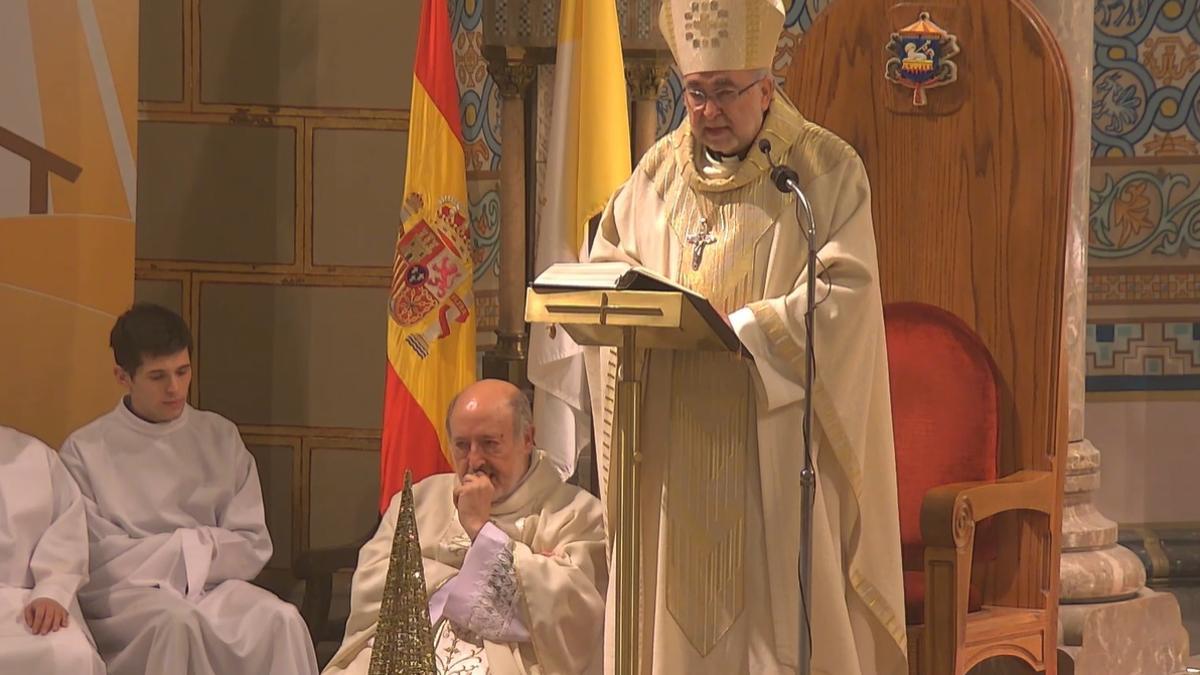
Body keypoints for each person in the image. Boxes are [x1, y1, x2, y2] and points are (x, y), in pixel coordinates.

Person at [583, 1, 908, 672]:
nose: (708, 110)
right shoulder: (656, 175)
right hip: (673, 440)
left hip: (772, 440)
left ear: (766, 86)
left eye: (726, 91)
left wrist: (748, 333)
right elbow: (607, 268)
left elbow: (845, 297)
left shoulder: (821, 171)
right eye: (696, 93)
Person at [59, 303, 318, 675]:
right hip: (129, 601)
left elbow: (252, 542)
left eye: (183, 371)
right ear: (122, 376)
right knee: (176, 624)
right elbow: (98, 560)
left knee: (282, 618)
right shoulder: (84, 450)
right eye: (157, 376)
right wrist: (194, 546)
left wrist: (188, 556)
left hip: (213, 587)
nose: (175, 388)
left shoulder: (219, 436)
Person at [324, 379, 606, 675]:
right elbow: (373, 583)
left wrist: (480, 532)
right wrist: (461, 585)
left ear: (527, 439)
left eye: (489, 444)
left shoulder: (576, 514)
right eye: (462, 445)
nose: (474, 461)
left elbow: (575, 615)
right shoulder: (420, 499)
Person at [0, 426, 106, 674]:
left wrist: (52, 591)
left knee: (69, 655)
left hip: (27, 603)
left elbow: (65, 531)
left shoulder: (36, 456)